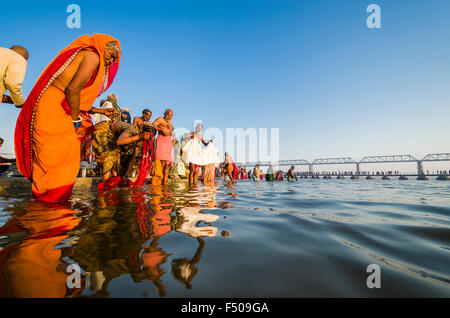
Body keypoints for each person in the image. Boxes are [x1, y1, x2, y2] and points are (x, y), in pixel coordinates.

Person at [15, 34, 121, 203]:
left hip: (53, 103)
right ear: (102, 46)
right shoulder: (93, 56)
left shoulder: (87, 54)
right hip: (54, 106)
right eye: (111, 55)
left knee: (53, 157)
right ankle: (50, 207)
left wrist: (92, 112)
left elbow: (75, 96)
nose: (112, 61)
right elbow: (73, 90)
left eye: (116, 58)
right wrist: (75, 120)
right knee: (64, 158)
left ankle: (44, 203)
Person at [152, 109, 174, 186]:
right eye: (168, 114)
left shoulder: (170, 122)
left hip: (169, 142)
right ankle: (158, 183)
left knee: (167, 164)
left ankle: (165, 181)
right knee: (161, 162)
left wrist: (173, 139)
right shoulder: (160, 119)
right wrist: (161, 129)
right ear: (164, 113)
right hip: (161, 141)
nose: (169, 116)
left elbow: (171, 131)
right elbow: (153, 125)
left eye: (171, 115)